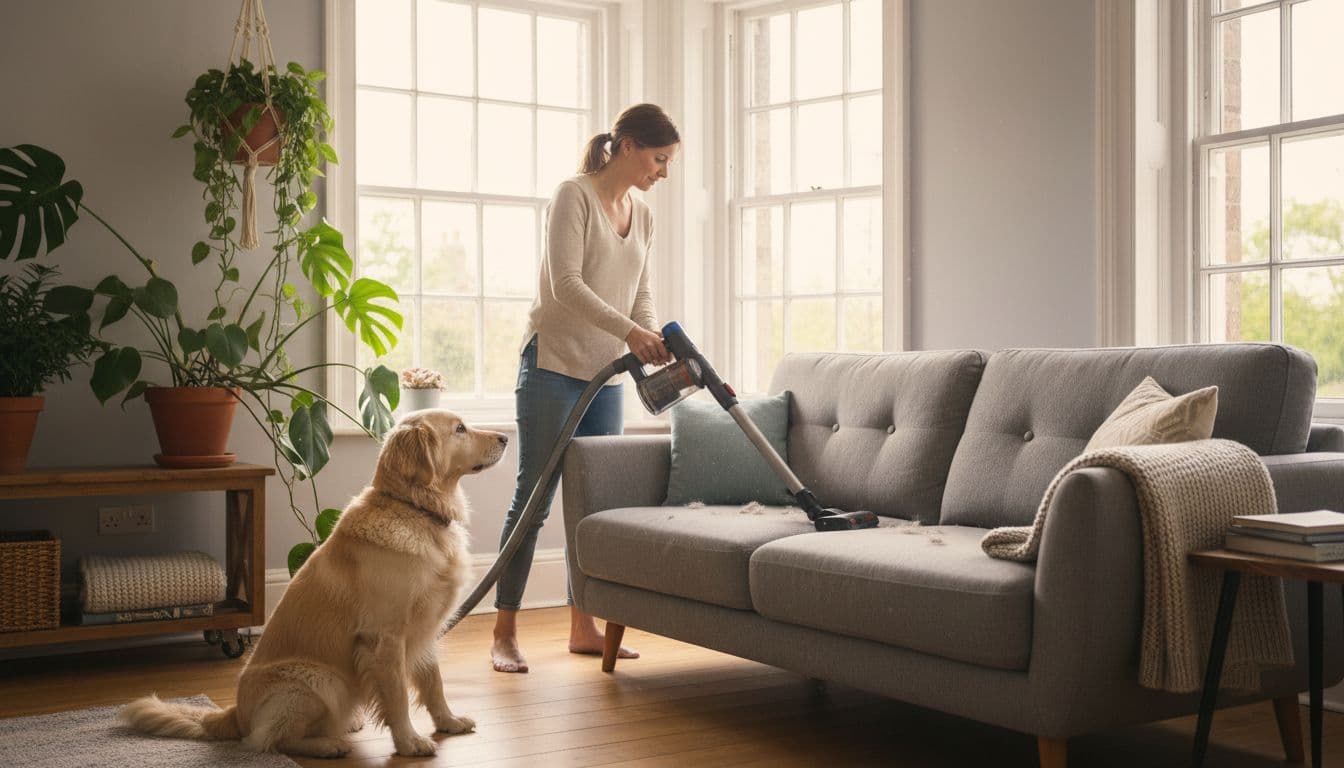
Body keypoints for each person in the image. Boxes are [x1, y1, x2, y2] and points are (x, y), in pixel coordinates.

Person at [491, 103, 681, 673]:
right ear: (627, 146)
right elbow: (565, 285)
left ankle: (583, 625)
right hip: (553, 364)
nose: (662, 171)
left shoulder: (643, 214)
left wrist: (646, 337)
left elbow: (639, 293)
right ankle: (503, 631)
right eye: (658, 158)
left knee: (595, 504)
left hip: (606, 374)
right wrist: (630, 331)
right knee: (535, 498)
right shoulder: (572, 196)